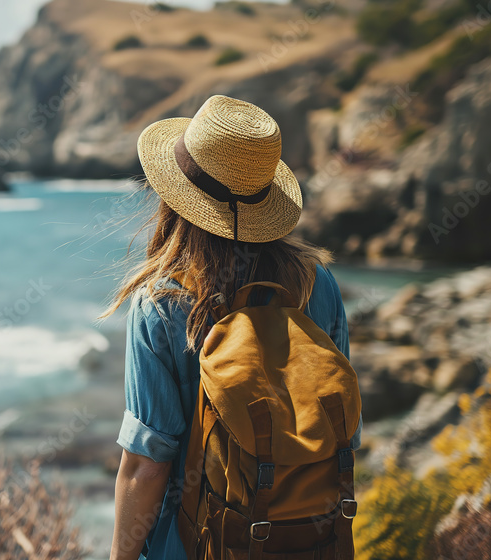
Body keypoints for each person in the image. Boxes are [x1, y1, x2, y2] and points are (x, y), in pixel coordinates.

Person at [101, 95, 362, 560]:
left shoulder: (163, 303)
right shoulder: (316, 284)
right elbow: (342, 433)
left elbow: (147, 463)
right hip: (307, 542)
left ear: (176, 196)